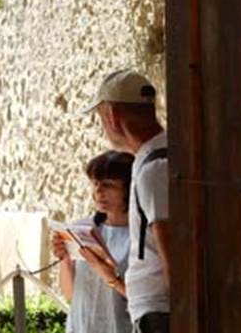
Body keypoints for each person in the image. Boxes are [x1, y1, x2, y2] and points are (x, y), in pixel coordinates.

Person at [86, 69, 169, 333]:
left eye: (101, 118)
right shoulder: (155, 158)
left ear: (112, 116)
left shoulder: (154, 169)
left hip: (159, 316)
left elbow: (172, 254)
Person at [52, 151, 134, 333]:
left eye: (108, 185)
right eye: (95, 183)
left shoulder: (141, 236)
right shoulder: (81, 228)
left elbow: (144, 298)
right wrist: (64, 259)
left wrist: (109, 274)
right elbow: (71, 294)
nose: (99, 191)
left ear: (128, 189)